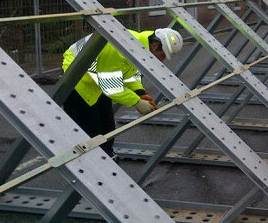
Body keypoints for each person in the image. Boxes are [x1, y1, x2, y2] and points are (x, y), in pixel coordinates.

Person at [62, 28, 183, 157]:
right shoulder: (119, 47)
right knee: (91, 135)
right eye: (163, 55)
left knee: (108, 130)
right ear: (155, 45)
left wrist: (139, 92)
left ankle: (107, 158)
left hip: (97, 82)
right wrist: (136, 102)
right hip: (77, 81)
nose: (162, 60)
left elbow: (130, 73)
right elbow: (110, 86)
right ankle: (95, 167)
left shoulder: (138, 47)